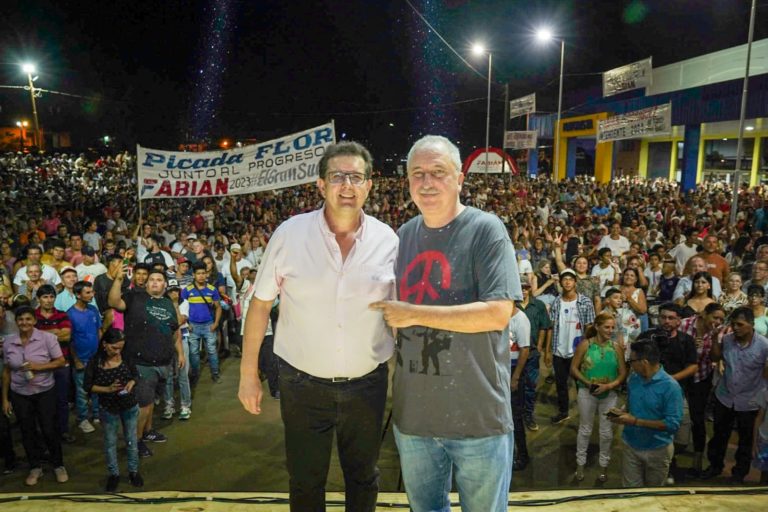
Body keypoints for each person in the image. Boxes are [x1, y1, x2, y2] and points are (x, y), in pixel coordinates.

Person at [239, 141, 398, 512]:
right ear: (320, 185)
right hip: (302, 385)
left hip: (367, 385)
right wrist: (248, 375)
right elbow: (260, 304)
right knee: (306, 480)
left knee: (364, 477)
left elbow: (400, 314)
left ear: (369, 185)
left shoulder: (388, 240)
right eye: (337, 176)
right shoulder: (290, 234)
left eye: (356, 177)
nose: (347, 185)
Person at [371, 135, 519, 512]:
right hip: (415, 418)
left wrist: (413, 313)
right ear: (407, 182)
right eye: (417, 173)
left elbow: (498, 313)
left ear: (459, 180)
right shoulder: (402, 236)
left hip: (478, 416)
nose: (427, 182)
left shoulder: (486, 230)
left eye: (438, 172)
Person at [108, 267, 184, 459]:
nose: (155, 282)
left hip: (164, 361)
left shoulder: (168, 303)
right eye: (152, 280)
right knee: (144, 404)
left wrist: (180, 354)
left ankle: (148, 431)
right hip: (141, 362)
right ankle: (136, 441)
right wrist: (118, 280)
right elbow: (113, 301)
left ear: (165, 284)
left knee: (150, 403)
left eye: (159, 280)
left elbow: (174, 331)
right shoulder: (135, 298)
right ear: (146, 283)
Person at [1, 305, 69, 486]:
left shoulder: (47, 338)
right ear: (16, 322)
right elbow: (7, 371)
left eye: (28, 319)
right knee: (27, 431)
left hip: (45, 392)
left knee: (49, 429)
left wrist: (38, 367)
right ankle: (35, 467)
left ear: (34, 320)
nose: (24, 323)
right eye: (21, 319)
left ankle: (58, 465)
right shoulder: (9, 341)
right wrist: (5, 399)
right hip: (20, 394)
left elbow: (61, 361)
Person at [702, 306, 768, 483]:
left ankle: (739, 473)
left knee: (745, 440)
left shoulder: (764, 345)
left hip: (749, 400)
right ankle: (715, 466)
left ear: (751, 325)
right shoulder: (728, 340)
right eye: (733, 324)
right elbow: (715, 359)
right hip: (725, 396)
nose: (736, 327)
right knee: (719, 436)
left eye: (740, 324)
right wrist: (716, 339)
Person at [636, 303, 697, 484]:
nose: (666, 321)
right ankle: (658, 467)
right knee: (650, 431)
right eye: (663, 317)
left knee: (681, 438)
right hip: (649, 394)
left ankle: (669, 459)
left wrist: (670, 380)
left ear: (679, 321)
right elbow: (635, 359)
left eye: (671, 318)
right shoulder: (647, 337)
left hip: (676, 394)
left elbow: (693, 366)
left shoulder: (686, 340)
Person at [609, 339, 684, 487]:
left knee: (652, 496)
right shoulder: (634, 379)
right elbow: (631, 406)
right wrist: (622, 412)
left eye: (631, 361)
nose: (629, 365)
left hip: (657, 449)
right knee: (630, 494)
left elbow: (673, 424)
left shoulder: (671, 387)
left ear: (644, 362)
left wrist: (635, 421)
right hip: (631, 445)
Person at [83, 328, 144, 491]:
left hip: (129, 405)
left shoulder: (126, 357)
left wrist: (132, 383)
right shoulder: (95, 363)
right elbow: (87, 386)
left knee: (131, 440)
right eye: (114, 348)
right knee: (110, 442)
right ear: (104, 344)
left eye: (120, 348)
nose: (117, 352)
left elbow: (136, 376)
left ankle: (133, 471)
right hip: (108, 408)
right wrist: (107, 389)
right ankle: (114, 474)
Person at [570, 312, 626, 482]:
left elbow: (623, 373)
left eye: (612, 327)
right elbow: (574, 368)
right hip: (587, 393)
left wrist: (609, 386)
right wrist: (588, 383)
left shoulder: (616, 347)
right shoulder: (585, 345)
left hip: (609, 395)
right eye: (606, 327)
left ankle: (603, 466)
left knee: (606, 432)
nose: (610, 330)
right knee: (585, 429)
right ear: (597, 327)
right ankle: (580, 464)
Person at [679, 303, 726, 477]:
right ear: (704, 314)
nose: (718, 322)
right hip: (681, 376)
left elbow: (715, 357)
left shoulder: (719, 331)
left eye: (721, 319)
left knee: (698, 418)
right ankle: (671, 454)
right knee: (676, 414)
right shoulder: (684, 324)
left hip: (701, 377)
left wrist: (713, 339)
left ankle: (697, 458)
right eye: (715, 317)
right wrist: (690, 346)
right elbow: (674, 350)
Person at [546, 268, 596, 425]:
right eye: (564, 279)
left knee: (581, 384)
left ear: (575, 282)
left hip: (577, 351)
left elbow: (589, 326)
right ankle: (563, 411)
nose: (567, 282)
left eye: (570, 279)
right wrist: (548, 350)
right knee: (561, 383)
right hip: (559, 350)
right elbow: (551, 326)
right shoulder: (556, 302)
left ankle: (586, 413)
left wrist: (588, 348)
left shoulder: (585, 301)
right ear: (560, 282)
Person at [33, 285, 74, 443]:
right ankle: (44, 434)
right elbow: (32, 337)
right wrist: (55, 333)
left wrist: (41, 335)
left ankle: (62, 431)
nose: (49, 300)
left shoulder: (62, 315)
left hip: (61, 363)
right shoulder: (33, 316)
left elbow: (66, 336)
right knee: (41, 402)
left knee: (61, 400)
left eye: (51, 297)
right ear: (38, 299)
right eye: (45, 297)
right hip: (40, 365)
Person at [516, 275, 552, 431]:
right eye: (521, 287)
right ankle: (516, 415)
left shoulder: (538, 305)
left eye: (526, 287)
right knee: (515, 385)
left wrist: (541, 348)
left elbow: (545, 326)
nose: (523, 290)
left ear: (530, 288)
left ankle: (528, 414)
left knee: (530, 385)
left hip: (531, 353)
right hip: (515, 353)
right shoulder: (512, 306)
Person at [68, 280, 103, 434]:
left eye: (92, 292)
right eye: (87, 292)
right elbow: (69, 340)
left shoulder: (93, 310)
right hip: (81, 359)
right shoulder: (70, 314)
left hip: (95, 358)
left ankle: (96, 415)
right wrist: (76, 360)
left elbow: (99, 332)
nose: (91, 295)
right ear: (77, 294)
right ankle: (82, 419)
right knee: (82, 392)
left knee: (96, 388)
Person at [181, 261, 222, 383]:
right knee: (194, 353)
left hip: (209, 325)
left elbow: (218, 307)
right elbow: (182, 308)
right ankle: (195, 375)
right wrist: (187, 324)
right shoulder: (187, 290)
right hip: (193, 326)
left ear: (206, 274)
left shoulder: (212, 289)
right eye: (198, 273)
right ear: (193, 275)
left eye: (203, 273)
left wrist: (215, 323)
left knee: (212, 351)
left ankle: (215, 373)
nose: (201, 276)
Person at [508, 305, 531, 471]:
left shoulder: (520, 319)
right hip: (499, 368)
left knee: (515, 417)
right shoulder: (497, 315)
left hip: (513, 369)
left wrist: (515, 377)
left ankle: (522, 455)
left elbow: (525, 350)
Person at [752, 383, 768, 485]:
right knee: (765, 476)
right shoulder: (765, 392)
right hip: (765, 439)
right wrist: (755, 442)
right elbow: (759, 418)